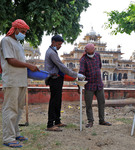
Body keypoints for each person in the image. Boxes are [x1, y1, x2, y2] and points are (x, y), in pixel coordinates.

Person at [0, 19, 39, 148]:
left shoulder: (18, 43)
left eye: (25, 32)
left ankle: (16, 133)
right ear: (15, 29)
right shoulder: (6, 41)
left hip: (21, 80)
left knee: (18, 108)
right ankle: (8, 137)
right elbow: (10, 60)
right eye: (22, 31)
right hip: (11, 80)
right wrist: (29, 65)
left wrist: (31, 69)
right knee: (10, 108)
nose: (24, 34)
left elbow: (20, 63)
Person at [44, 35, 85, 132]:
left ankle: (57, 121)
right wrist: (76, 74)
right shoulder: (51, 53)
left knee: (57, 101)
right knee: (54, 101)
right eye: (58, 44)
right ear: (53, 42)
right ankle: (50, 124)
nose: (59, 46)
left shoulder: (52, 52)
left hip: (57, 78)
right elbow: (62, 67)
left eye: (60, 44)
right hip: (54, 78)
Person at [79, 43, 112, 128]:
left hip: (99, 84)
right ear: (86, 52)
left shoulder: (97, 55)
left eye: (92, 52)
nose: (91, 54)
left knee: (102, 102)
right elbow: (81, 73)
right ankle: (90, 121)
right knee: (88, 104)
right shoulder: (83, 60)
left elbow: (99, 66)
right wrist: (79, 86)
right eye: (89, 53)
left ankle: (102, 120)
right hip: (89, 85)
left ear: (94, 50)